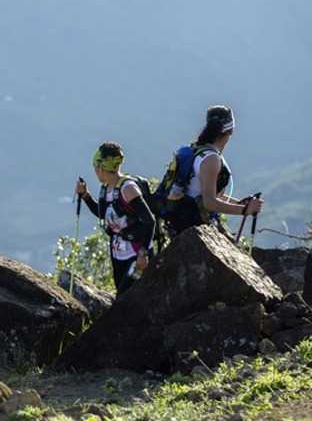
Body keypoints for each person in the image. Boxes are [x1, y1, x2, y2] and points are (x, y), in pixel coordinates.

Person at [169, 105, 263, 235]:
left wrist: (241, 204)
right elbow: (209, 202)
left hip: (182, 220)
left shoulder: (198, 149)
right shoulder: (211, 159)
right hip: (195, 225)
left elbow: (210, 194)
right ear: (231, 130)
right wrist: (244, 210)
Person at [76, 142, 156, 296]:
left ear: (100, 167)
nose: (94, 171)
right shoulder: (106, 188)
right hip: (118, 251)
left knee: (127, 295)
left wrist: (143, 254)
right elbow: (102, 213)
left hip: (136, 252)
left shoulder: (128, 188)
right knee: (122, 291)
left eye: (95, 167)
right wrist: (85, 195)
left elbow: (149, 220)